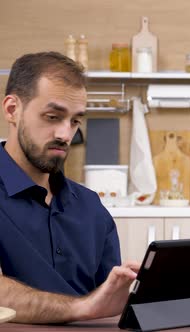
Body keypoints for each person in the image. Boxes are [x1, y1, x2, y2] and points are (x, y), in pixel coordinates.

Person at [0, 52, 139, 323]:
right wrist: (82, 307)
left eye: (75, 121)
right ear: (12, 110)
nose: (66, 135)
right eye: (53, 117)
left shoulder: (90, 206)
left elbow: (105, 303)